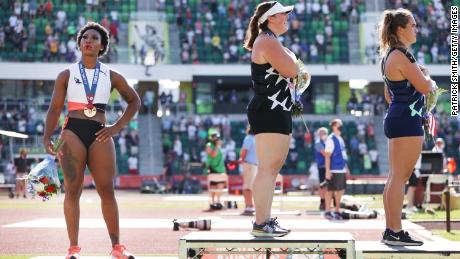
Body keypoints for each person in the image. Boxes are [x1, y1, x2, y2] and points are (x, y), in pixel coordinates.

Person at [43, 22, 140, 259]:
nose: (88, 40)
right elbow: (55, 109)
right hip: (72, 131)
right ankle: (73, 249)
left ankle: (117, 248)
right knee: (72, 191)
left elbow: (134, 100)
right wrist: (47, 136)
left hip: (100, 132)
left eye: (94, 38)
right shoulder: (66, 74)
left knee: (107, 191)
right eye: (84, 37)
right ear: (79, 44)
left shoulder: (111, 75)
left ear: (102, 46)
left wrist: (116, 127)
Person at [244, 1, 309, 237]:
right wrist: (299, 69)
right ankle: (261, 223)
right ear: (271, 18)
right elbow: (293, 71)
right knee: (268, 169)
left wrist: (298, 70)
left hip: (276, 108)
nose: (287, 18)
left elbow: (294, 71)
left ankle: (265, 220)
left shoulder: (269, 40)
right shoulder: (267, 41)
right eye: (283, 14)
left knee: (272, 169)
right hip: (270, 108)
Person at [379, 8, 434, 246]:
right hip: (407, 121)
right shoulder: (402, 56)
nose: (416, 29)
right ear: (400, 29)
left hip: (397, 117)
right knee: (400, 178)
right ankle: (395, 231)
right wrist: (428, 78)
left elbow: (389, 95)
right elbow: (424, 87)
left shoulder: (389, 55)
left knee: (395, 177)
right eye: (412, 25)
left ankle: (391, 229)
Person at [324, 119, 348, 220]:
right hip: (334, 169)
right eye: (339, 124)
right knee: (330, 191)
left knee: (341, 190)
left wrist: (346, 167)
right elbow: (327, 156)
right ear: (334, 126)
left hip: (342, 169)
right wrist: (327, 171)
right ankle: (328, 211)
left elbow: (343, 154)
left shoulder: (341, 138)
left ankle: (337, 210)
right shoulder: (330, 139)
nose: (341, 126)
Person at [239, 125, 258, 215]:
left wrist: (241, 160)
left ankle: (249, 206)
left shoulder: (249, 138)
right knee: (251, 187)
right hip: (254, 165)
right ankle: (251, 205)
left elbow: (244, 152)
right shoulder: (256, 139)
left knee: (247, 187)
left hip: (249, 164)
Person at [205, 129, 226, 209]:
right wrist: (217, 146)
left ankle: (218, 201)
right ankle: (213, 202)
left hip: (220, 169)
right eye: (214, 137)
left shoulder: (218, 146)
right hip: (213, 168)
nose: (216, 139)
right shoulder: (209, 145)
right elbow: (213, 154)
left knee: (220, 185)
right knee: (213, 186)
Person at [314, 127, 328, 210]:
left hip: (328, 166)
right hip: (322, 167)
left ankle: (327, 201)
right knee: (322, 185)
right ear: (319, 134)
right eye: (322, 133)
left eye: (325, 133)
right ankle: (322, 202)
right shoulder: (318, 143)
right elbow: (325, 154)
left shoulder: (327, 142)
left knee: (328, 185)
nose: (323, 135)